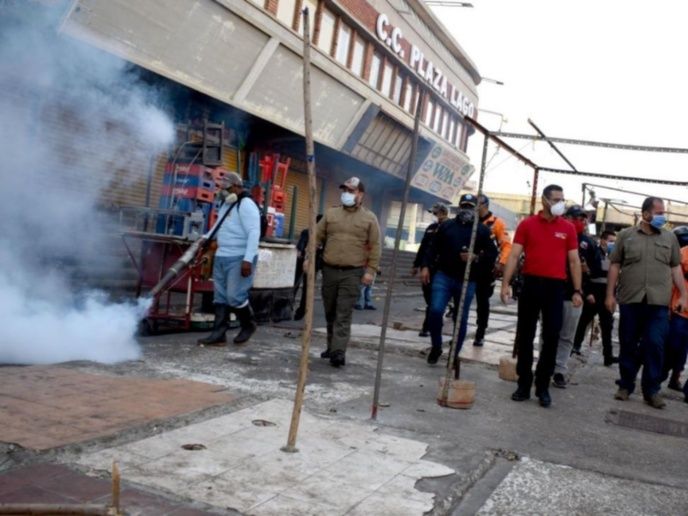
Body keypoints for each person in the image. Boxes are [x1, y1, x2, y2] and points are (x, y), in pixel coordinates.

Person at [501, 185, 582, 408]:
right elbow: (515, 254)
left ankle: (543, 386)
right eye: (556, 199)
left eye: (562, 199)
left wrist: (577, 290)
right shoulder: (527, 224)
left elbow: (574, 261)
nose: (560, 203)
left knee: (551, 337)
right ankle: (524, 384)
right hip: (531, 285)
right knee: (525, 335)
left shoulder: (567, 228)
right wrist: (505, 283)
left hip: (556, 288)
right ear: (544, 200)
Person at [606, 196, 688, 409]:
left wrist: (684, 295)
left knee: (655, 344)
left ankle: (651, 390)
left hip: (658, 303)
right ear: (645, 214)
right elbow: (615, 265)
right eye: (659, 212)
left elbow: (676, 268)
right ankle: (625, 385)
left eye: (663, 212)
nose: (663, 216)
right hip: (630, 299)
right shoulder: (626, 236)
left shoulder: (669, 239)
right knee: (628, 343)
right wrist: (609, 295)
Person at [421, 194, 497, 366]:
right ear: (459, 207)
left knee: (460, 318)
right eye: (464, 206)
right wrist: (425, 266)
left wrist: (475, 257)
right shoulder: (447, 226)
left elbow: (493, 254)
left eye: (471, 206)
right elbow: (432, 248)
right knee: (435, 310)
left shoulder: (483, 230)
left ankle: (454, 354)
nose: (467, 210)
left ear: (476, 209)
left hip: (468, 279)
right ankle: (436, 346)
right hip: (444, 275)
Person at [316, 177, 381, 367]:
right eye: (345, 190)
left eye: (351, 191)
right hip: (329, 270)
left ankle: (338, 351)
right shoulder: (331, 214)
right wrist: (310, 257)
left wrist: (370, 271)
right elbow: (317, 236)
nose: (347, 194)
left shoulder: (369, 218)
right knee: (330, 311)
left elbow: (375, 246)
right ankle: (331, 346)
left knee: (343, 312)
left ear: (360, 194)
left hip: (352, 273)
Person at [198, 172, 261, 346]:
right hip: (222, 255)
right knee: (220, 296)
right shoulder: (227, 203)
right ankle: (218, 334)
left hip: (239, 256)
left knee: (234, 296)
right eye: (221, 188)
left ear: (237, 187)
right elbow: (219, 226)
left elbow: (254, 233)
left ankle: (249, 324)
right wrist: (207, 238)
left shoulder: (246, 204)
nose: (222, 192)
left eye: (226, 188)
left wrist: (248, 259)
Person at [551, 205, 597, 388]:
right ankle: (545, 366)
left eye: (584, 218)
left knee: (567, 336)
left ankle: (560, 370)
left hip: (574, 295)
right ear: (567, 217)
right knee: (548, 333)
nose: (582, 221)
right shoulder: (556, 234)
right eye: (578, 217)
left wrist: (587, 272)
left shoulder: (588, 243)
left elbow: (596, 269)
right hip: (553, 291)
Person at [572, 230, 618, 365]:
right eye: (610, 241)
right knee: (583, 321)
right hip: (594, 292)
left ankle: (608, 356)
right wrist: (588, 293)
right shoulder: (594, 253)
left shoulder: (614, 256)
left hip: (607, 293)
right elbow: (586, 274)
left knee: (607, 326)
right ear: (603, 240)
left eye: (614, 242)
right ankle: (575, 347)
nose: (612, 244)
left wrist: (613, 296)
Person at [473, 194, 512, 347]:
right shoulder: (470, 221)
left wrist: (501, 262)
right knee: (460, 300)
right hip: (468, 267)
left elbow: (507, 245)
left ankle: (480, 332)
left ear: (485, 205)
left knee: (483, 302)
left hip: (486, 269)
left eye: (477, 203)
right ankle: (459, 330)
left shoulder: (496, 223)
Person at [412, 203, 450, 337]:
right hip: (426, 268)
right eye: (434, 213)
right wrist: (416, 265)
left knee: (435, 299)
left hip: (442, 269)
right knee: (429, 299)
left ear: (443, 212)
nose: (435, 215)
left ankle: (427, 326)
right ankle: (434, 320)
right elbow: (423, 248)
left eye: (436, 212)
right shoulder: (431, 228)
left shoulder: (450, 227)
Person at [663, 226, 688, 397]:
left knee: (681, 352)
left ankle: (676, 381)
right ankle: (657, 379)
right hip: (680, 311)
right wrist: (667, 307)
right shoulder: (684, 253)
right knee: (673, 348)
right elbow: (672, 280)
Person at [293, 215, 323, 321]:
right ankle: (296, 309)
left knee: (305, 287)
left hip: (311, 264)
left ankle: (300, 310)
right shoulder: (308, 232)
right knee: (299, 285)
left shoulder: (321, 235)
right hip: (304, 262)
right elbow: (301, 246)